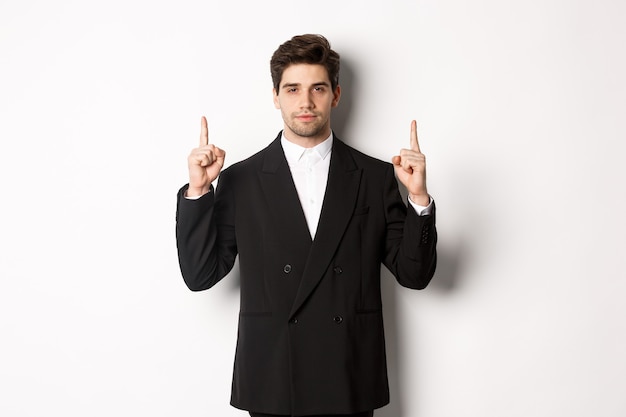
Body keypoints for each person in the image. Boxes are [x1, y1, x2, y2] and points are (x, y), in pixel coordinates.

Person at [176, 34, 437, 417]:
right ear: (276, 96)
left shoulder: (375, 176)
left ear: (335, 95)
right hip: (273, 378)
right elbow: (200, 275)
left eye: (317, 88)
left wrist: (418, 198)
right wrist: (199, 190)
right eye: (293, 88)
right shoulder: (240, 180)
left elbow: (415, 275)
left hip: (348, 375)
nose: (305, 102)